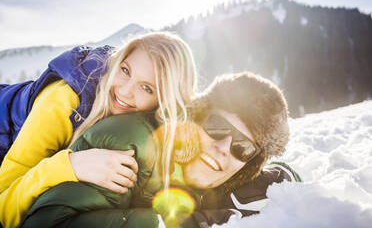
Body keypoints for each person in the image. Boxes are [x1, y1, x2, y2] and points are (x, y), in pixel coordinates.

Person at [20, 71, 301, 228]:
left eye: (243, 147)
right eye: (218, 127)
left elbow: (284, 174)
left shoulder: (217, 175)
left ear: (249, 165)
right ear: (197, 118)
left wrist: (280, 180)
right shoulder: (129, 143)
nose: (223, 147)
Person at [0, 32, 197, 228]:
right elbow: (2, 210)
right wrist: (70, 165)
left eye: (146, 88)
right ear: (117, 61)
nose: (125, 91)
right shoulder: (64, 103)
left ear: (163, 103)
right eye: (125, 70)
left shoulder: (150, 128)